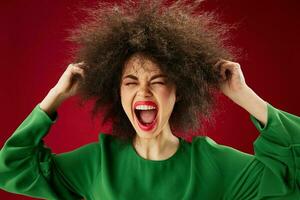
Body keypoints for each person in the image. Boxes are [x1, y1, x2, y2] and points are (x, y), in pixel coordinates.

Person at [0, 0, 299, 199]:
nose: (143, 92)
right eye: (131, 82)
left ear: (179, 90)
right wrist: (53, 99)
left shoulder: (213, 164)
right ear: (117, 92)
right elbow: (10, 168)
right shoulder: (97, 163)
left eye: (157, 81)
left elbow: (294, 176)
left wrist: (244, 96)